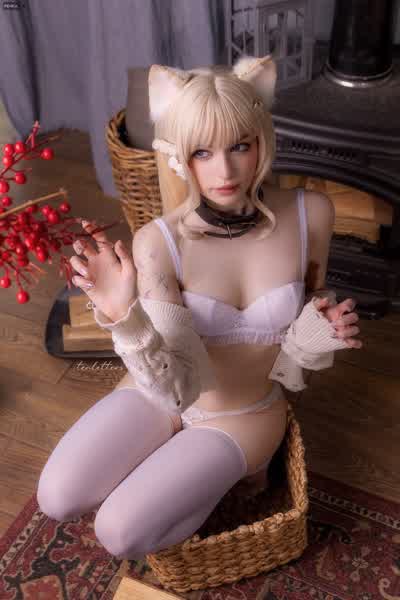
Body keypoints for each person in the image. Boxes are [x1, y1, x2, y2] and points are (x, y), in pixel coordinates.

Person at [36, 55, 362, 560]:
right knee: (56, 497)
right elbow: (176, 390)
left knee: (118, 533)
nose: (224, 171)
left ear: (262, 142)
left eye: (240, 146)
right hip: (163, 393)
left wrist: (322, 330)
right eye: (202, 152)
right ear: (178, 156)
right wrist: (124, 317)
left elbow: (305, 329)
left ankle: (227, 479)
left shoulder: (310, 213)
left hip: (244, 413)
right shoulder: (157, 243)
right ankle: (177, 469)